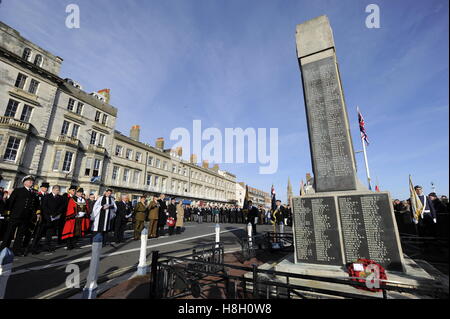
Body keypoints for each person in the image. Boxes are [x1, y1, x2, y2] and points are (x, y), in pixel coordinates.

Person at [0, 175, 41, 256]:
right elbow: (11, 202)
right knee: (9, 233)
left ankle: (16, 250)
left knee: (20, 235)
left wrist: (37, 213)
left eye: (32, 181)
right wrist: (7, 213)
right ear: (24, 182)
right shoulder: (18, 190)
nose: (31, 182)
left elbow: (36, 204)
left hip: (26, 217)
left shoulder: (33, 193)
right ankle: (4, 249)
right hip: (15, 215)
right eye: (29, 181)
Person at [30, 185, 65, 254]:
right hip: (45, 218)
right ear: (53, 189)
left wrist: (55, 214)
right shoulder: (47, 196)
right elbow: (44, 207)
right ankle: (33, 247)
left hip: (54, 218)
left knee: (49, 234)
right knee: (39, 234)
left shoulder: (60, 198)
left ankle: (47, 246)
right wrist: (49, 216)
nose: (57, 191)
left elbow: (62, 207)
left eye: (58, 190)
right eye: (56, 190)